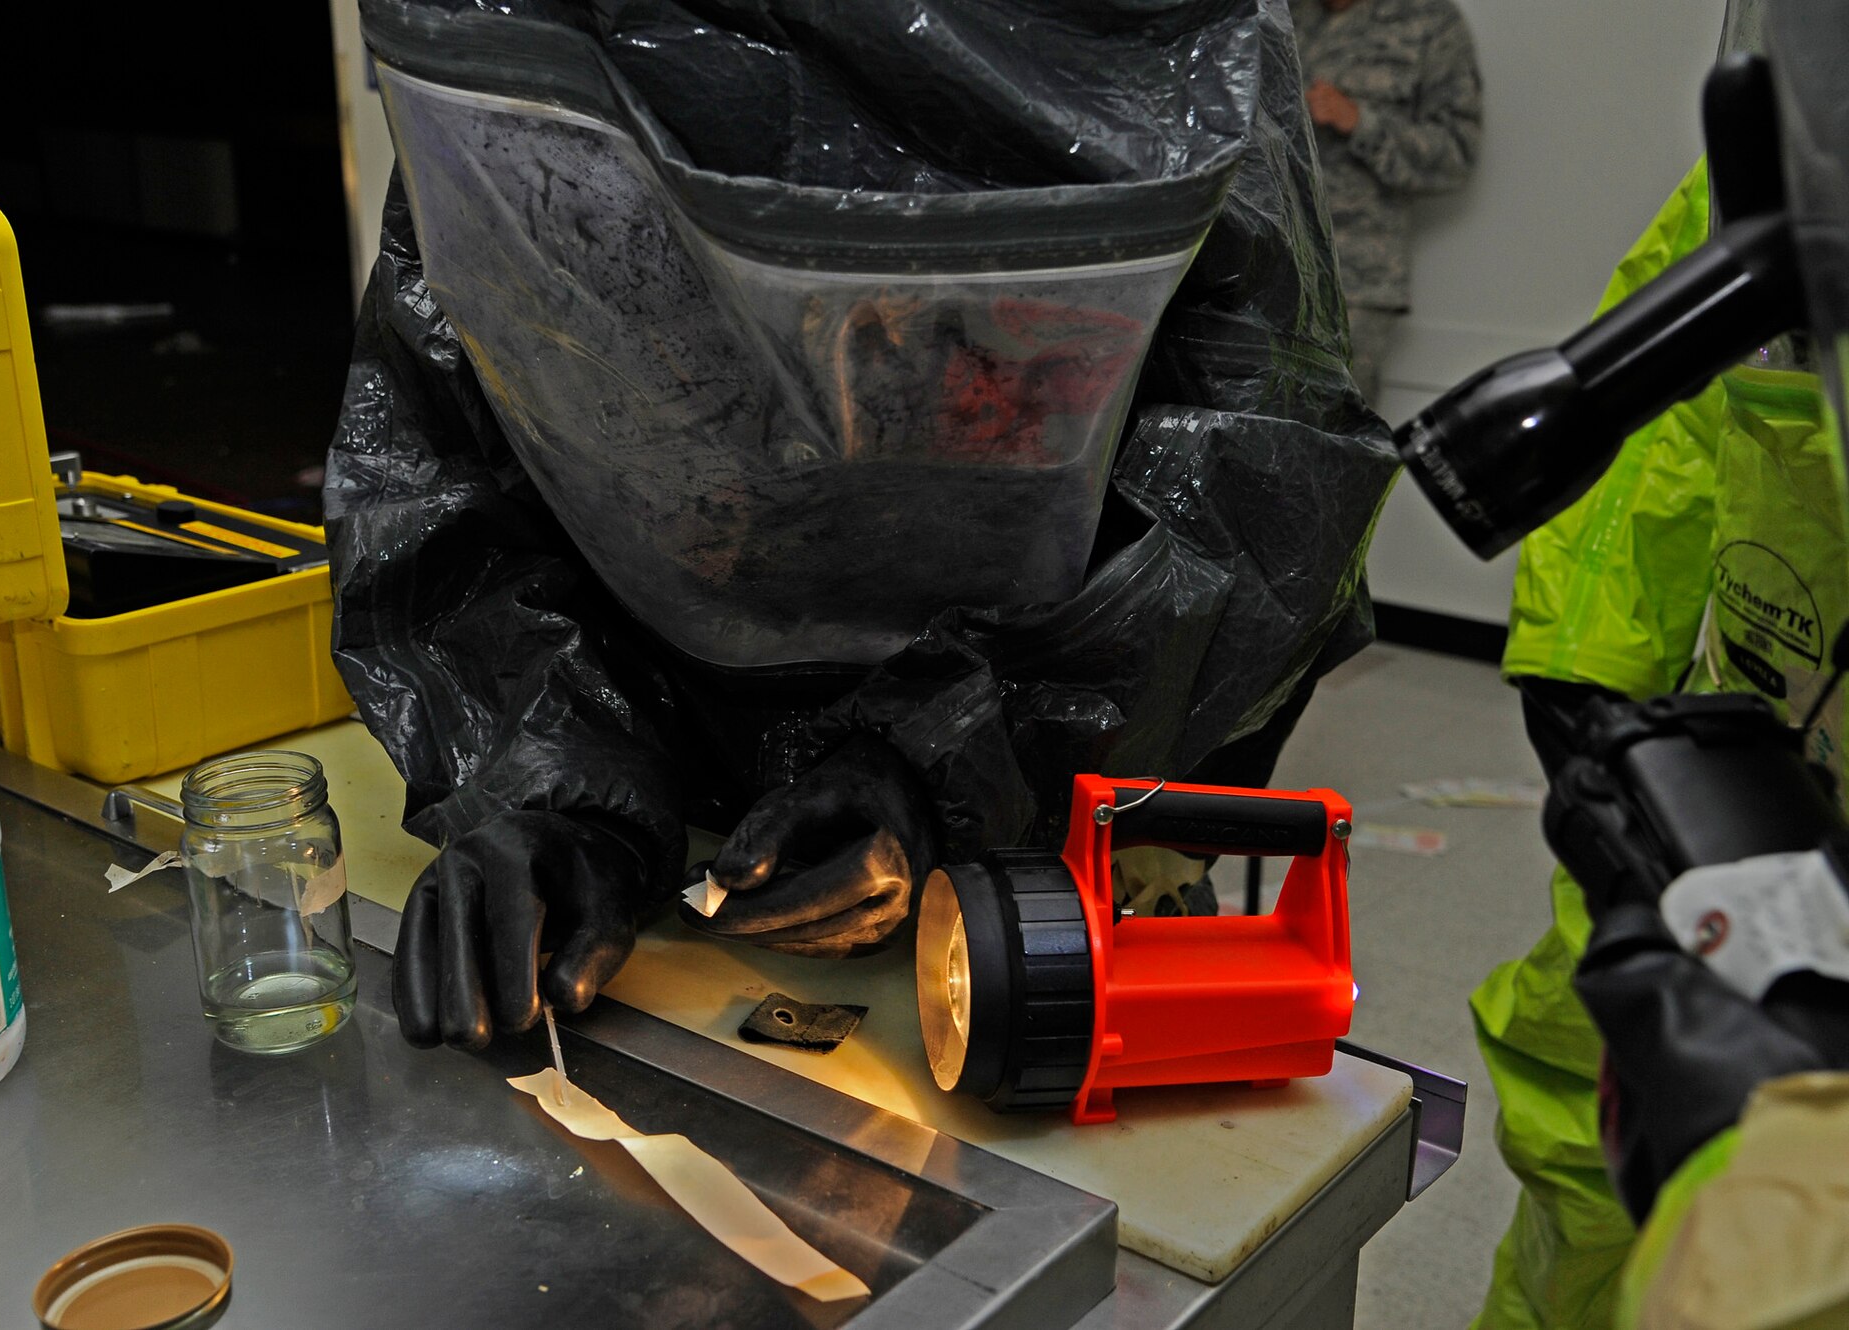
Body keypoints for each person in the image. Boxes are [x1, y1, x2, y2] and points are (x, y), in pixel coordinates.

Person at [325, 0, 1396, 1052]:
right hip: (657, 812)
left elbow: (1258, 485)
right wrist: (553, 774)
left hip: (1051, 812)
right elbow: (446, 432)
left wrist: (949, 761)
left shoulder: (1158, 39)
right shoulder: (513, 22)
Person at [1472, 2, 1849, 1317]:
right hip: (1730, 795)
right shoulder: (1802, 145)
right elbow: (1666, 430)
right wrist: (1585, 679)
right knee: (1585, 1124)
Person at [1294, 0, 1483, 401]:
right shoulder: (1280, 11)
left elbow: (1457, 152)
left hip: (1355, 282)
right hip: (1263, 265)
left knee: (1334, 437)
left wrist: (1361, 122)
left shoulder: (1428, 22)